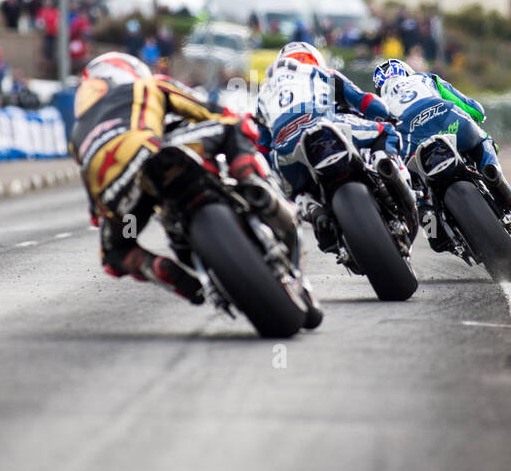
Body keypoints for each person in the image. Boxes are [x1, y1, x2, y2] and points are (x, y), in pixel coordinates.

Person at [69, 52, 279, 305]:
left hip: (126, 205)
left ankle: (162, 270)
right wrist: (239, 121)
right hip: (153, 155)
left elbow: (95, 211)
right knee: (233, 129)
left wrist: (120, 217)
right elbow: (204, 110)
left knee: (116, 254)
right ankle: (254, 187)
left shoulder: (78, 134)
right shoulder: (146, 85)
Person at [254, 41, 413, 251]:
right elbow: (363, 101)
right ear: (313, 59)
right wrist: (387, 116)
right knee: (385, 132)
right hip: (326, 125)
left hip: (285, 149)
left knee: (296, 191)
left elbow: (263, 148)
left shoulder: (264, 93)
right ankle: (383, 163)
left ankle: (311, 209)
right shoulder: (320, 73)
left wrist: (273, 177)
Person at [371, 57, 511, 250]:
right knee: (483, 141)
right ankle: (494, 175)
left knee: (415, 190)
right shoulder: (427, 79)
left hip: (410, 139)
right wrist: (477, 115)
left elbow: (379, 138)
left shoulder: (378, 103)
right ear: (407, 72)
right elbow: (473, 107)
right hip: (448, 119)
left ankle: (430, 223)